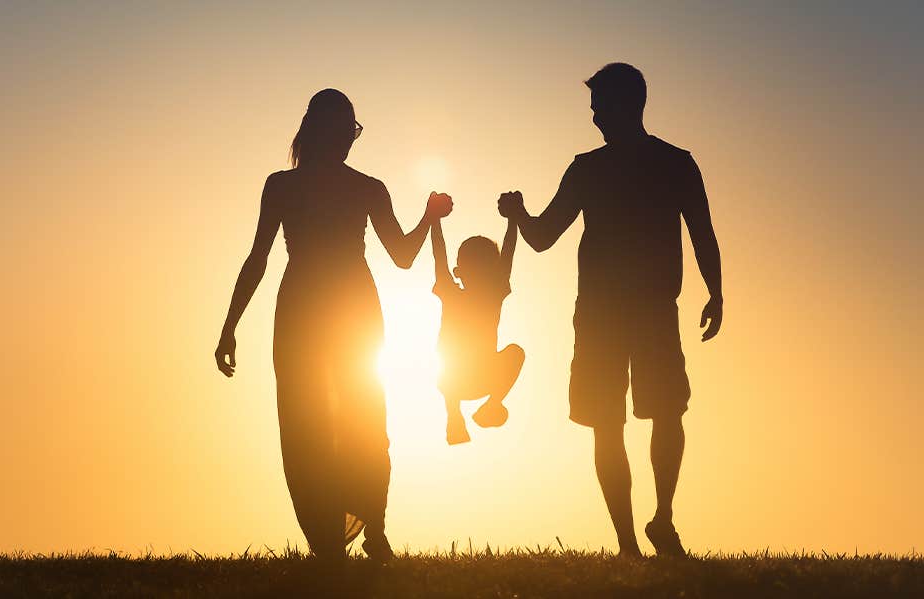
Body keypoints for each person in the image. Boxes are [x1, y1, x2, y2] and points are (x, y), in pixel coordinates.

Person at [215, 88, 453, 562]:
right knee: (307, 426)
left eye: (353, 132)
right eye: (344, 131)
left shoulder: (365, 187)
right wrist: (229, 326)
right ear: (321, 132)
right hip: (310, 311)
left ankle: (373, 528)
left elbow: (402, 256)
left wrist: (429, 217)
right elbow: (257, 259)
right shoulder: (282, 186)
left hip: (347, 312)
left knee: (364, 420)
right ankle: (330, 542)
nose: (349, 140)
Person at [498, 63, 723, 557]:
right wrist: (518, 216)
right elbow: (543, 235)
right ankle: (629, 541)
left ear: (625, 105)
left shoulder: (666, 163)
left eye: (600, 104)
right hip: (608, 314)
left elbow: (702, 231)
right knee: (615, 419)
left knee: (660, 412)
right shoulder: (600, 167)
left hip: (641, 310)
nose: (594, 114)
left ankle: (657, 522)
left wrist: (716, 291)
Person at [430, 216, 525, 445]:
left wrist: (435, 219)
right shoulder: (491, 295)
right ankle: (457, 415)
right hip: (461, 379)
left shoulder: (453, 292)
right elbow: (507, 257)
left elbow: (439, 255)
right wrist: (513, 220)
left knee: (513, 353)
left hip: (463, 380)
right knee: (454, 358)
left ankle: (471, 411)